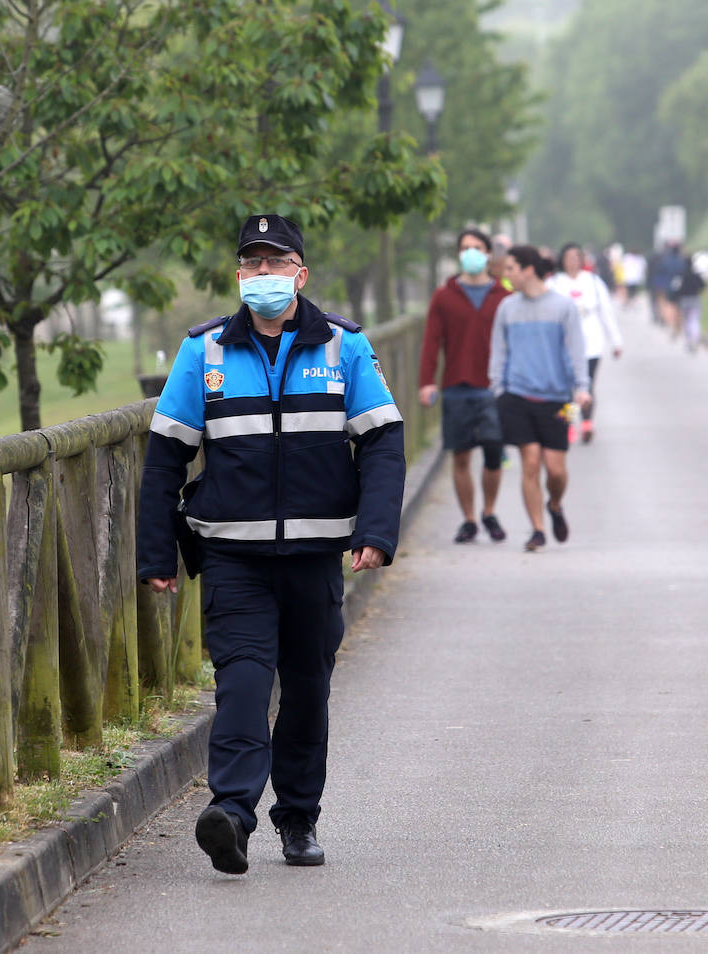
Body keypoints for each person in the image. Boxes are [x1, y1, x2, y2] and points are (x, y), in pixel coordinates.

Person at [137, 214, 406, 874]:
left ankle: (298, 819)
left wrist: (375, 532)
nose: (263, 274)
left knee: (308, 691)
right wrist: (154, 554)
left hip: (316, 557)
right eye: (251, 264)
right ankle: (230, 814)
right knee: (244, 684)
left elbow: (382, 443)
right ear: (238, 276)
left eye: (275, 262)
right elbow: (164, 458)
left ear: (300, 273)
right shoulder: (204, 353)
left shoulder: (345, 347)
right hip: (233, 557)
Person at [488, 245, 591, 552]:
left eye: (510, 269)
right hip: (517, 396)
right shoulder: (507, 308)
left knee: (556, 469)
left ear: (528, 269)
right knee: (530, 463)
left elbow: (577, 350)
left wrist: (582, 387)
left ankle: (555, 505)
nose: (506, 276)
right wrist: (498, 390)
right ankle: (537, 529)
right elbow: (498, 352)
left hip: (561, 400)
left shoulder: (563, 307)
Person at [418, 228, 511, 543]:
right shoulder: (444, 296)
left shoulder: (503, 297)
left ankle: (490, 511)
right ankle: (470, 519)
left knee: (494, 453)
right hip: (456, 384)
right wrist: (426, 382)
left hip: (494, 387)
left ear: (487, 254)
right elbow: (431, 341)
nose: (470, 253)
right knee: (460, 455)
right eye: (465, 248)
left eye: (476, 247)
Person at [547, 242, 623, 443]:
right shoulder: (554, 283)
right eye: (569, 258)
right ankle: (568, 424)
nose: (573, 262)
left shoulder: (593, 282)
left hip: (591, 340)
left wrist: (616, 341)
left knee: (587, 384)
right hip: (563, 344)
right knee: (567, 388)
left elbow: (606, 312)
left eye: (576, 258)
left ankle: (587, 422)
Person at [670, 251, 707, 353]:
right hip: (695, 299)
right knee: (694, 320)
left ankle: (689, 340)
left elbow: (675, 289)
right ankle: (695, 337)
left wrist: (675, 298)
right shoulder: (696, 275)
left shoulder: (680, 276)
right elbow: (703, 285)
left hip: (684, 301)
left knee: (686, 321)